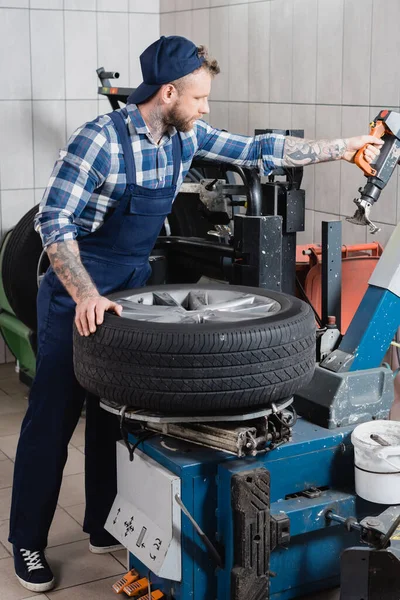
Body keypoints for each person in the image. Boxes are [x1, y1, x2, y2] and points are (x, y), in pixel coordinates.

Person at [8, 35, 383, 593]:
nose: (207, 109)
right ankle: (28, 543)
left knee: (115, 414)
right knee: (53, 417)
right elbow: (53, 223)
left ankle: (101, 524)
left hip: (132, 291)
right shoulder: (100, 142)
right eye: (201, 98)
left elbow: (260, 152)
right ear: (168, 93)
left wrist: (346, 146)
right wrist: (86, 294)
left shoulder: (184, 137)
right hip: (76, 293)